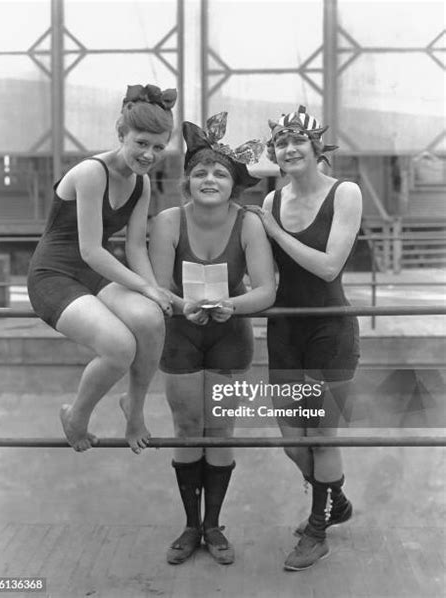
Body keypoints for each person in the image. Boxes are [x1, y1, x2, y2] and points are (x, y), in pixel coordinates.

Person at [149, 112, 276, 565]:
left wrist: (232, 307)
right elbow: (159, 287)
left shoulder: (249, 223)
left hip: (231, 333)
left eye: (220, 172)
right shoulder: (167, 222)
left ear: (234, 184)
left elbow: (265, 289)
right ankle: (189, 525)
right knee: (187, 427)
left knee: (220, 429)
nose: (209, 178)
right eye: (200, 171)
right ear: (187, 180)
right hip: (181, 332)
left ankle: (213, 526)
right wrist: (181, 305)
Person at [27, 84, 176, 453]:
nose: (148, 154)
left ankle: (135, 407)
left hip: (93, 275)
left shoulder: (140, 183)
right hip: (54, 275)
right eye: (141, 142)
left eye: (158, 147)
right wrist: (145, 288)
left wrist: (153, 290)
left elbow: (134, 245)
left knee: (152, 319)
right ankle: (76, 414)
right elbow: (91, 250)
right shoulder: (92, 172)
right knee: (119, 346)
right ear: (121, 133)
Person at [247, 105, 362, 571]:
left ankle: (318, 529)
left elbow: (329, 265)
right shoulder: (273, 199)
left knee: (321, 435)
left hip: (329, 328)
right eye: (280, 143)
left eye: (298, 141)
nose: (289, 148)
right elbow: (267, 274)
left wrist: (271, 228)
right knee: (292, 440)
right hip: (286, 328)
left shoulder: (345, 193)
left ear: (317, 148)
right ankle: (336, 497)